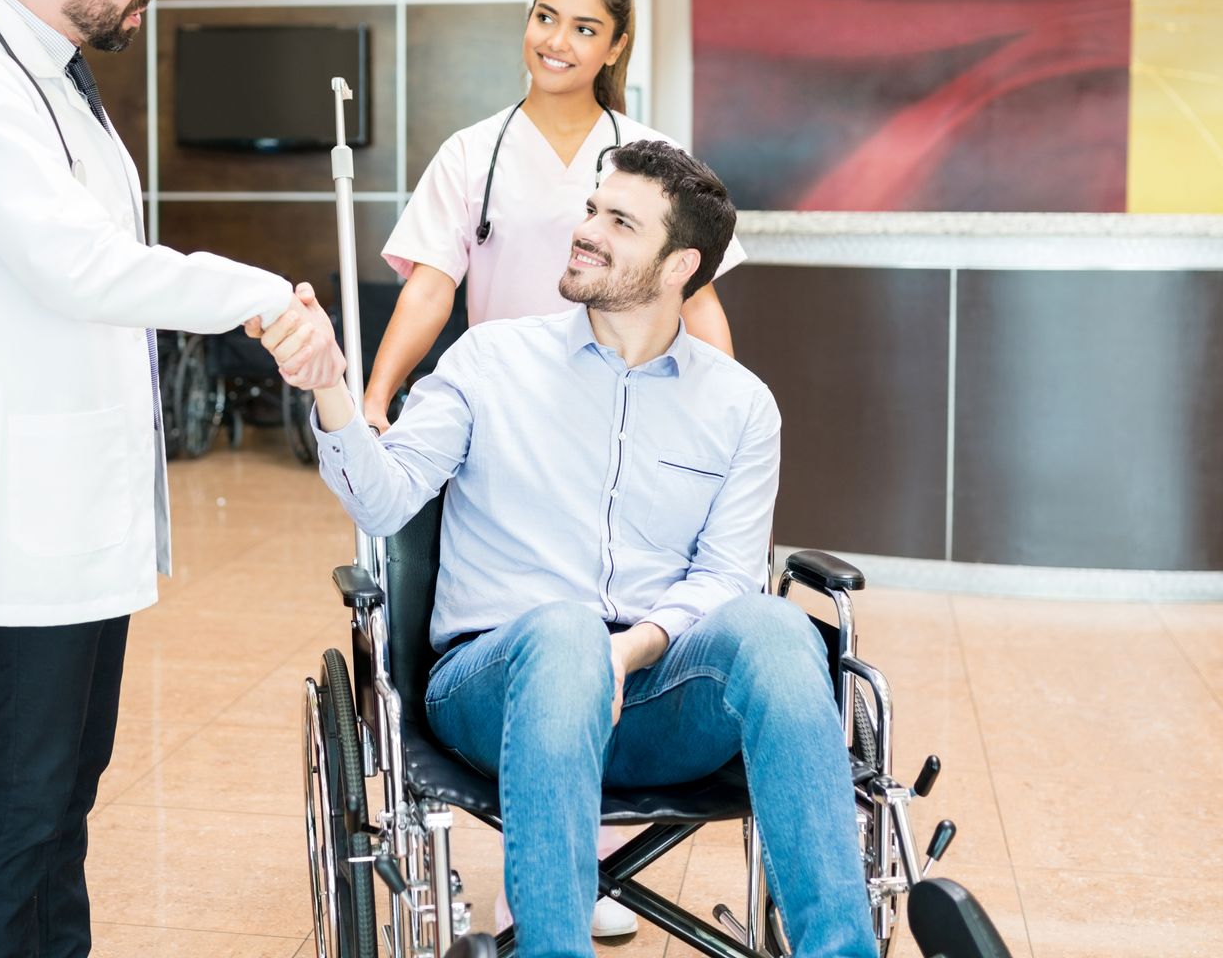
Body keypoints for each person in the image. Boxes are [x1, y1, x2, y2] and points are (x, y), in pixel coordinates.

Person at [255, 140, 876, 958]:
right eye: (591, 208)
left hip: (658, 698)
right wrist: (333, 387)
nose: (586, 230)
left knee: (778, 628)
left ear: (680, 263)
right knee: (565, 632)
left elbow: (726, 577)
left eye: (619, 220)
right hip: (498, 684)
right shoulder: (489, 361)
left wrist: (631, 655)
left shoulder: (740, 406)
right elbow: (382, 497)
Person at [0, 0, 340, 958]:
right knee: (26, 788)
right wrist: (253, 296)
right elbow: (78, 266)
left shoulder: (63, 77)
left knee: (72, 785)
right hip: (24, 505)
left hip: (82, 498)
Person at [363, 0, 745, 436]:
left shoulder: (653, 157)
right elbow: (429, 290)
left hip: (625, 406)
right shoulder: (470, 152)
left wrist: (726, 410)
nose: (557, 41)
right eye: (546, 18)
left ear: (614, 47)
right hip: (504, 404)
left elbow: (695, 298)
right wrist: (376, 399)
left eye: (585, 29)